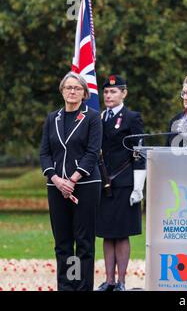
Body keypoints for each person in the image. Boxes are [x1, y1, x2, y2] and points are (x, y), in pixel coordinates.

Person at [39, 71, 102, 291]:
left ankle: (82, 287)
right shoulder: (52, 118)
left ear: (84, 93)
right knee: (63, 243)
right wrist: (56, 179)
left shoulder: (92, 117)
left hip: (84, 186)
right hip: (56, 187)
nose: (72, 91)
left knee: (83, 243)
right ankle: (67, 287)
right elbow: (44, 153)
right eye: (68, 87)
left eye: (77, 88)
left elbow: (92, 153)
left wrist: (72, 180)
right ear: (62, 91)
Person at [95, 75, 146, 291]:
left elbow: (139, 152)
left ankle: (122, 282)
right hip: (103, 184)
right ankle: (109, 280)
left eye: (113, 92)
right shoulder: (98, 118)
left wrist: (138, 186)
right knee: (107, 233)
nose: (109, 95)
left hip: (125, 184)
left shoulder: (132, 117)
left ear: (123, 93)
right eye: (106, 92)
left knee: (122, 233)